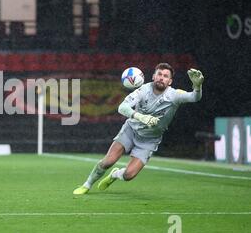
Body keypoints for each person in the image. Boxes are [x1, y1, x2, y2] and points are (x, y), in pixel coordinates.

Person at [73, 63, 204, 194]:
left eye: (165, 76)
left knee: (128, 175)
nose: (161, 78)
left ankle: (115, 174)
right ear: (153, 76)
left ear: (170, 81)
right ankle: (87, 184)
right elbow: (122, 108)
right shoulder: (142, 90)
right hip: (131, 130)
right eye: (159, 74)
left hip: (150, 140)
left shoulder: (174, 95)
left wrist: (197, 86)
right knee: (108, 161)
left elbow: (194, 97)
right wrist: (141, 117)